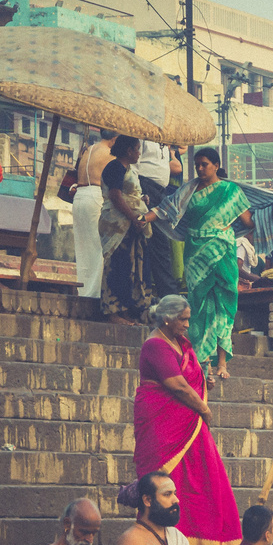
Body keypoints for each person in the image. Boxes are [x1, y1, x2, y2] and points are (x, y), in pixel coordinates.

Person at [133, 295, 240, 545]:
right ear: (167, 319)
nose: (187, 325)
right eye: (183, 319)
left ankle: (199, 537)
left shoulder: (180, 342)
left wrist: (204, 382)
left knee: (200, 476)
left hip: (188, 422)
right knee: (166, 479)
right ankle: (161, 540)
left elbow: (189, 377)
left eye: (188, 319)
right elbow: (177, 384)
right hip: (163, 421)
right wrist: (204, 408)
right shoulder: (155, 345)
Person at [177, 147, 252, 381]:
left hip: (223, 252)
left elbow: (249, 221)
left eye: (205, 164)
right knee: (198, 307)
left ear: (216, 165)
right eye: (197, 164)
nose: (200, 168)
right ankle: (203, 363)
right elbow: (167, 211)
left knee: (224, 305)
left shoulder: (231, 190)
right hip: (196, 255)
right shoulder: (188, 191)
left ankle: (221, 363)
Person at [97, 136, 158, 325]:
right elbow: (115, 196)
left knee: (131, 268)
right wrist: (133, 217)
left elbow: (129, 193)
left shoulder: (128, 169)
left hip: (130, 226)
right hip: (118, 225)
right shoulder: (115, 167)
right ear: (129, 151)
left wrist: (142, 200)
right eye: (138, 149)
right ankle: (112, 312)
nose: (140, 153)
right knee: (117, 265)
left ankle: (125, 311)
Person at [71, 131, 113, 298]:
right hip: (95, 196)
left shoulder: (89, 149)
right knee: (99, 249)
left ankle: (84, 292)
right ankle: (94, 295)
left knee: (82, 248)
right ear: (115, 139)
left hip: (79, 196)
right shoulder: (110, 153)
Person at [137, 142, 181, 298]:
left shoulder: (163, 140)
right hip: (145, 187)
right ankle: (168, 296)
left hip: (160, 190)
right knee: (156, 243)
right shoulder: (144, 135)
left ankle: (167, 295)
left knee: (160, 244)